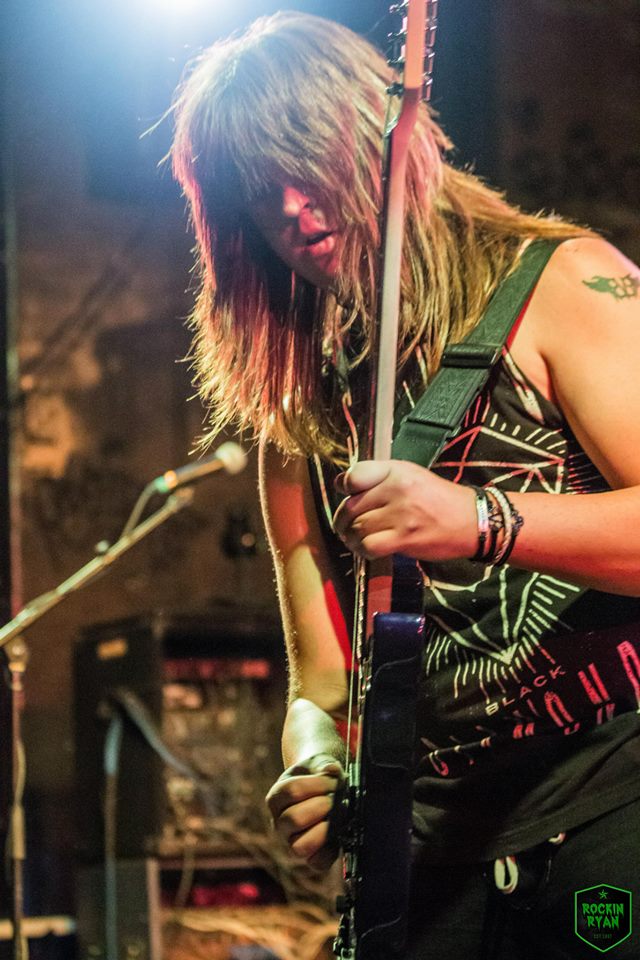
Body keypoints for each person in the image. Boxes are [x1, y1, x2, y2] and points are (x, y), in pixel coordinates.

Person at [171, 11, 640, 958]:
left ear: (384, 137)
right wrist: (313, 759)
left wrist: (477, 518)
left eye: (308, 164)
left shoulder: (562, 283)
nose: (294, 207)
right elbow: (321, 683)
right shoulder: (298, 407)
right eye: (261, 190)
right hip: (426, 855)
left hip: (608, 804)